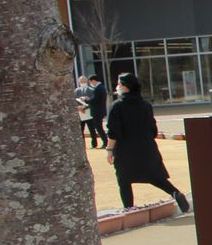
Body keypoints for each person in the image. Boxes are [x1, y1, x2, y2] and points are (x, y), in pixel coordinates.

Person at [105, 73, 190, 213]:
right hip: (146, 147)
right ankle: (175, 193)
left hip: (125, 149)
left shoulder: (117, 106)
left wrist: (109, 150)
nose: (117, 86)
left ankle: (129, 208)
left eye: (119, 84)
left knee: (124, 179)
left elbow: (113, 131)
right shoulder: (145, 105)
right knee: (155, 176)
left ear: (126, 87)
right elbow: (153, 129)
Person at [74, 75, 100, 147]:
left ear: (87, 82)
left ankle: (94, 144)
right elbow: (74, 101)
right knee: (81, 130)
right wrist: (78, 107)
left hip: (89, 112)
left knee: (92, 129)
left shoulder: (91, 90)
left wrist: (84, 108)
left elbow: (93, 101)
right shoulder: (76, 91)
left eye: (84, 81)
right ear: (79, 82)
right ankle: (83, 145)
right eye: (81, 81)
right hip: (80, 113)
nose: (83, 83)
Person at [87, 74, 108, 145]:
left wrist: (86, 100)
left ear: (93, 81)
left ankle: (105, 142)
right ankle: (105, 141)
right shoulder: (102, 87)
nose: (90, 83)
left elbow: (94, 100)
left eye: (90, 82)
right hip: (100, 110)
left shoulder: (98, 88)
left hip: (97, 111)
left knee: (98, 127)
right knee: (98, 127)